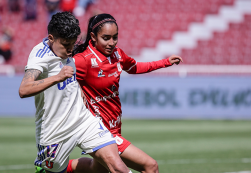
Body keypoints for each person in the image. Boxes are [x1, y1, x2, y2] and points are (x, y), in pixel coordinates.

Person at [67, 13, 183, 173]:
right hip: (100, 130)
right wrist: (77, 88)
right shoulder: (83, 60)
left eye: (115, 37)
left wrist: (165, 62)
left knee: (97, 170)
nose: (111, 43)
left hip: (115, 126)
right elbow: (60, 75)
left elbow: (135, 67)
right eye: (106, 38)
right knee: (150, 166)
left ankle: (56, 170)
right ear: (93, 36)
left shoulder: (117, 55)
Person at [18, 12, 131, 173]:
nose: (71, 50)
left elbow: (71, 75)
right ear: (51, 38)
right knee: (55, 170)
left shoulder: (66, 49)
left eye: (73, 43)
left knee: (117, 167)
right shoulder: (39, 56)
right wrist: (57, 77)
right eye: (65, 45)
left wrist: (78, 89)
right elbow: (24, 89)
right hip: (54, 130)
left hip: (83, 120)